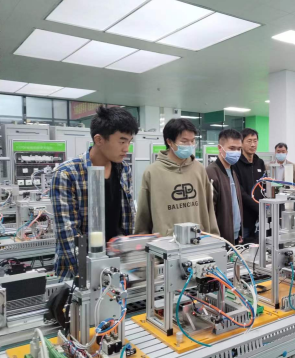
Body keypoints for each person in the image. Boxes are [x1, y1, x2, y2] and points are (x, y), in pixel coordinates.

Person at [51, 106, 139, 279]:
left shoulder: (124, 169)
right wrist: (88, 276)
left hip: (118, 267)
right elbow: (67, 233)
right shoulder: (67, 174)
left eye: (129, 142)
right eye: (122, 141)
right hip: (80, 273)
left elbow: (127, 218)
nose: (126, 148)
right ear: (99, 139)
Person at [135, 118, 219, 236]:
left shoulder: (199, 169)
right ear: (169, 142)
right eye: (184, 141)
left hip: (198, 240)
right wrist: (141, 239)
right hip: (165, 243)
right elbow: (143, 216)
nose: (190, 145)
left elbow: (209, 208)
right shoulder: (152, 172)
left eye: (192, 141)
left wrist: (214, 236)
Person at [206, 129, 243, 245]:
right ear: (220, 148)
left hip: (235, 234)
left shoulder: (232, 171)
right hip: (220, 237)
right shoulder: (211, 172)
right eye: (232, 148)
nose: (236, 152)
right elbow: (209, 210)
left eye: (239, 149)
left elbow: (236, 202)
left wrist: (240, 230)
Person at [233, 128, 265, 241]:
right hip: (244, 216)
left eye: (255, 141)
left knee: (260, 245)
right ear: (241, 143)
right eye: (249, 141)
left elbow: (263, 185)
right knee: (244, 245)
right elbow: (239, 190)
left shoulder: (259, 162)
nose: (253, 144)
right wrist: (256, 206)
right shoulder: (236, 163)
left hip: (260, 216)